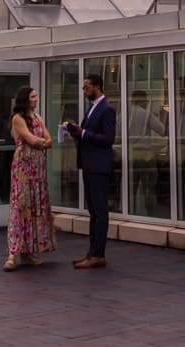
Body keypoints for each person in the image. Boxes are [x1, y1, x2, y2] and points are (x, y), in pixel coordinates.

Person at [63, 72, 117, 269]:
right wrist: (75, 131)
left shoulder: (106, 109)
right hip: (88, 164)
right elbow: (88, 135)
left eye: (86, 87)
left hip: (98, 166)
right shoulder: (92, 108)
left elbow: (108, 139)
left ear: (97, 86)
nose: (84, 90)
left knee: (100, 211)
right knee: (93, 210)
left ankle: (98, 254)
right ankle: (92, 251)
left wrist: (84, 132)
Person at [2, 85, 55, 272]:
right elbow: (31, 139)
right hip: (24, 166)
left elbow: (49, 140)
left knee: (34, 206)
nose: (36, 99)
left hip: (37, 168)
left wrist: (44, 143)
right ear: (25, 99)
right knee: (21, 205)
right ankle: (13, 252)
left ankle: (28, 253)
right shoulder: (18, 118)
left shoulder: (38, 118)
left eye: (36, 96)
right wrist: (43, 143)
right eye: (33, 97)